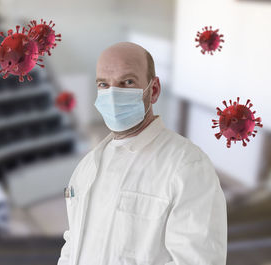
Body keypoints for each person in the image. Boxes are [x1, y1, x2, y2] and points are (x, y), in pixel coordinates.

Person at [57, 42, 227, 265]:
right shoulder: (88, 166)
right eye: (103, 84)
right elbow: (73, 243)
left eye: (127, 82)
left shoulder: (187, 166)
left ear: (153, 90)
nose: (113, 94)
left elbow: (199, 261)